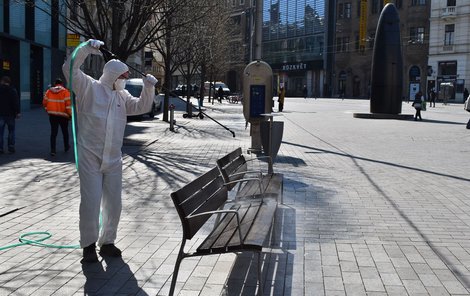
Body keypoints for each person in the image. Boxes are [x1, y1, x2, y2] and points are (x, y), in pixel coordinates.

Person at [63, 39, 158, 263]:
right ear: (113, 76)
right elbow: (69, 69)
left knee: (114, 203)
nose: (125, 80)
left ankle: (107, 242)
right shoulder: (89, 87)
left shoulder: (121, 97)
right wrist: (86, 48)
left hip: (114, 159)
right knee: (91, 201)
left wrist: (149, 87)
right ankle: (88, 245)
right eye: (123, 77)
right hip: (89, 157)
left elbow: (141, 107)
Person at [43, 78, 72, 156]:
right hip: (63, 116)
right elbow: (68, 106)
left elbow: (44, 103)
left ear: (55, 84)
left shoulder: (49, 91)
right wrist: (70, 115)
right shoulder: (66, 92)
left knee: (53, 133)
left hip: (53, 116)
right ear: (62, 84)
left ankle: (53, 150)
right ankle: (66, 146)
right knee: (65, 132)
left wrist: (48, 110)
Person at [0, 76, 20, 154]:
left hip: (1, 114)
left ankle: (0, 148)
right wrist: (17, 112)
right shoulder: (12, 90)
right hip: (10, 114)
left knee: (0, 132)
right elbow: (15, 102)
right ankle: (11, 146)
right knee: (11, 131)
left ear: (3, 81)